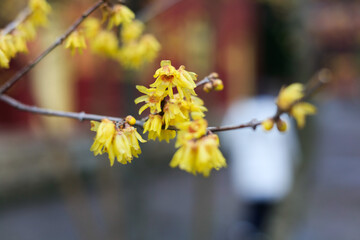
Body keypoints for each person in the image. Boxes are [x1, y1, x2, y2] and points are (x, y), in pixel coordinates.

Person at [221, 95, 300, 240]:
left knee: (254, 209)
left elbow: (228, 141)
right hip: (272, 175)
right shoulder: (278, 113)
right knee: (263, 210)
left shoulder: (240, 110)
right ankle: (254, 231)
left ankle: (250, 230)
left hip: (250, 173)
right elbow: (291, 145)